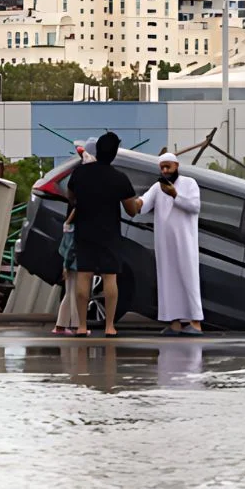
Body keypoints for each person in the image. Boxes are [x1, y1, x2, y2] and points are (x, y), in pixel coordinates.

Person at [67, 131, 138, 338]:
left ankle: (81, 326)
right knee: (109, 277)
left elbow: (71, 197)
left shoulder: (80, 174)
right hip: (109, 233)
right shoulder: (119, 178)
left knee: (84, 275)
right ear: (115, 153)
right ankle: (109, 326)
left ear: (97, 150)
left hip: (85, 230)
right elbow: (131, 210)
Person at [132, 152, 204, 337]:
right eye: (162, 167)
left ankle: (195, 322)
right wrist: (134, 201)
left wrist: (175, 195)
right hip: (165, 245)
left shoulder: (189, 184)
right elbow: (144, 203)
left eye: (168, 167)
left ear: (176, 166)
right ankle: (175, 323)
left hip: (185, 242)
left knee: (189, 279)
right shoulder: (158, 187)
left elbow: (195, 206)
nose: (165, 170)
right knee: (168, 281)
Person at [52, 140, 96, 335]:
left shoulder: (75, 178)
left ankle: (61, 326)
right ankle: (77, 326)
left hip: (71, 249)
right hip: (78, 250)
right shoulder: (75, 222)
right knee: (79, 290)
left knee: (71, 290)